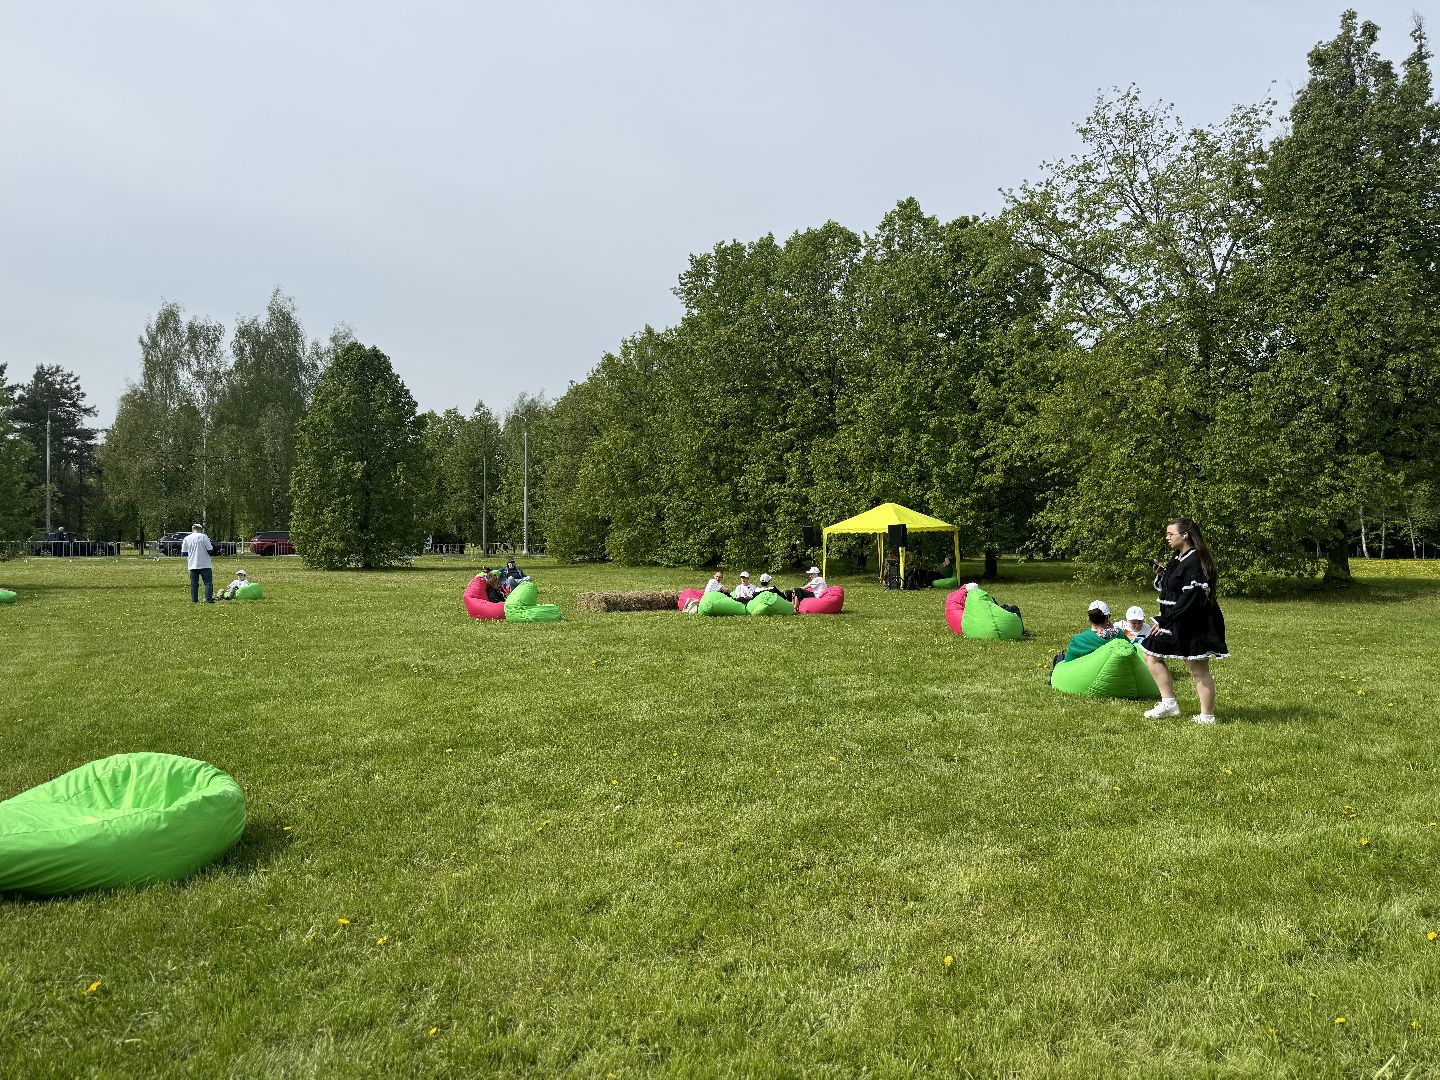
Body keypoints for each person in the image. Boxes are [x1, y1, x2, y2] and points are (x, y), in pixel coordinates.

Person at [1139, 517, 1229, 725]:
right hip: (1176, 620)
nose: (1167, 537)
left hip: (1193, 622)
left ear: (1185, 534)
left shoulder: (1195, 560)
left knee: (1197, 668)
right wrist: (1162, 573)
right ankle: (1169, 704)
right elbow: (1173, 588)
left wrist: (1165, 620)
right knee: (1151, 653)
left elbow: (1190, 597)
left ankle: (1207, 716)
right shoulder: (1178, 557)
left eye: (1171, 534)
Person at [1052, 601, 1121, 667]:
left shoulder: (1078, 641)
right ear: (1108, 618)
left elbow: (1068, 665)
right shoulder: (1120, 636)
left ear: (1089, 618)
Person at [181, 522, 215, 604]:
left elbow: (184, 553)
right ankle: (208, 600)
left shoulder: (187, 538)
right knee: (207, 583)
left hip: (192, 564)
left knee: (194, 584)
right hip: (205, 563)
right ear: (200, 529)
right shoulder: (204, 537)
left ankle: (194, 600)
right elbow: (210, 550)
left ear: (192, 529)